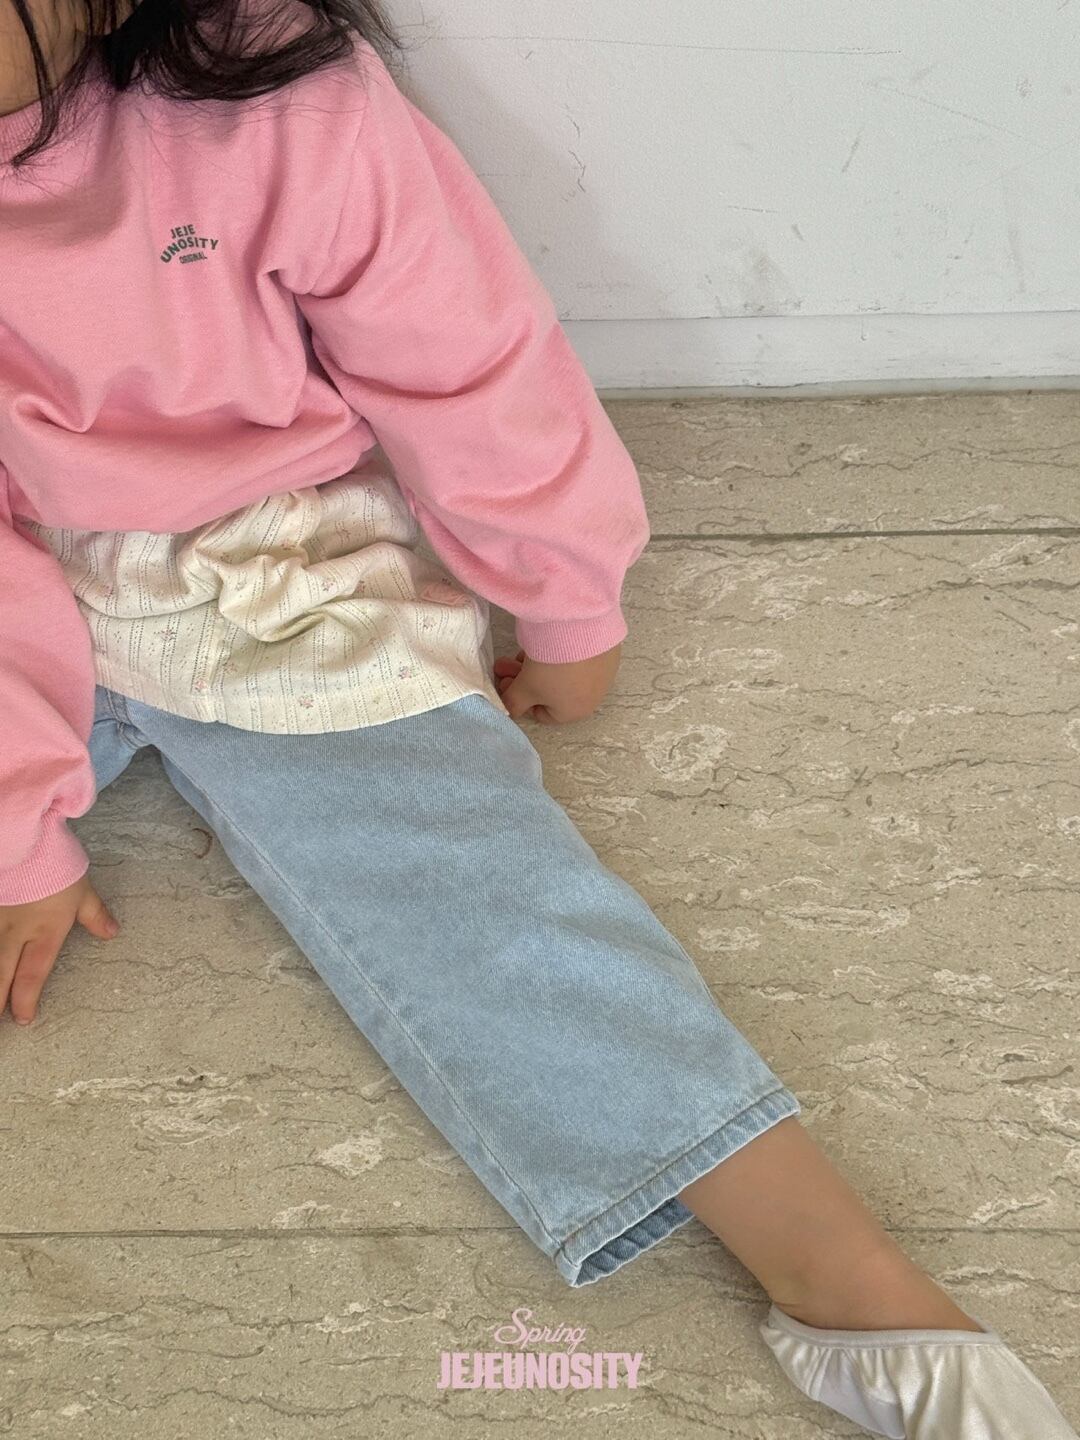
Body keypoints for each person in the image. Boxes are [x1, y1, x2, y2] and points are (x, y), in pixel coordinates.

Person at [0, 3, 1074, 1435]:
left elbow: (461, 354)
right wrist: (19, 823)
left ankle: (840, 1272)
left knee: (487, 897)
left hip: (276, 559)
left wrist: (566, 595)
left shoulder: (270, 98)